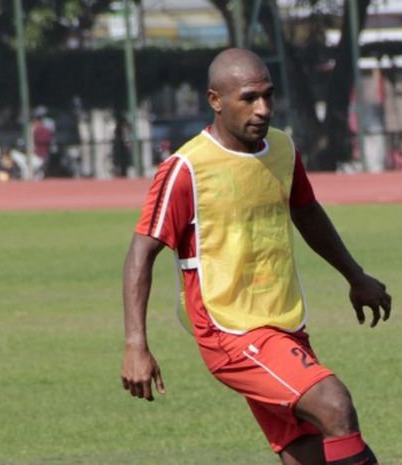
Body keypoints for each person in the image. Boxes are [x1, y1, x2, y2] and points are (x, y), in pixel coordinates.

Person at [121, 48, 392, 465]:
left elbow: (306, 212)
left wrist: (355, 276)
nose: (262, 109)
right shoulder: (186, 169)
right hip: (229, 331)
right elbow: (142, 250)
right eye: (248, 98)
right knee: (334, 404)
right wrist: (136, 344)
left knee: (307, 452)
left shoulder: (282, 149)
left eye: (268, 95)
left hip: (284, 324)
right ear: (215, 100)